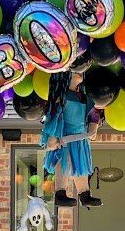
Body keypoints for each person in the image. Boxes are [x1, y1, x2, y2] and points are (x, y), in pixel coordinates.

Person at [42, 68, 101, 208]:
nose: (79, 71)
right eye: (74, 70)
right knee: (66, 160)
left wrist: (94, 126)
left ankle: (84, 194)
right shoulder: (62, 96)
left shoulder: (84, 95)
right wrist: (52, 136)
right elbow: (54, 115)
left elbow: (94, 113)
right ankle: (60, 193)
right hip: (65, 135)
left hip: (80, 137)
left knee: (81, 165)